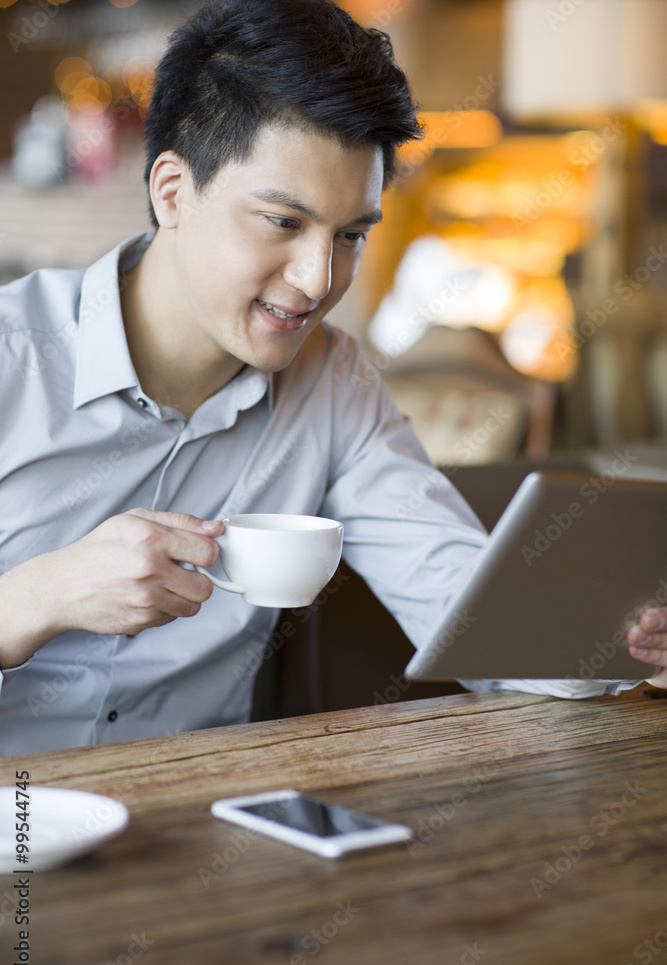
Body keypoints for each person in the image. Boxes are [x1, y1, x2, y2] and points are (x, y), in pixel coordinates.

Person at [0, 0, 665, 756]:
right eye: (283, 223)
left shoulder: (334, 385)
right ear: (171, 192)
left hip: (195, 832)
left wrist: (621, 639)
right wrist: (35, 598)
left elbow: (466, 612)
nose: (318, 280)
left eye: (349, 235)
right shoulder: (13, 358)